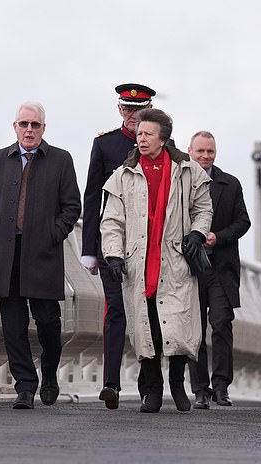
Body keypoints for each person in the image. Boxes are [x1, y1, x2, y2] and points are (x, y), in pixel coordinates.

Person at [100, 108, 213, 413]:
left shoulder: (187, 169)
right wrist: (112, 253)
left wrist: (197, 234)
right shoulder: (123, 174)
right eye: (139, 134)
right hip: (138, 262)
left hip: (175, 260)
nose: (141, 138)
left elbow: (203, 209)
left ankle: (177, 385)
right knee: (145, 325)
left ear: (163, 138)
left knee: (176, 326)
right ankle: (152, 388)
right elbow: (111, 221)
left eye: (148, 133)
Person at [0, 102, 81, 409]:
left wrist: (52, 234)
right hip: (8, 254)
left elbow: (72, 206)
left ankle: (48, 373)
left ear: (44, 129)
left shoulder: (60, 160)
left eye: (35, 125)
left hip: (44, 254)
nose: (29, 130)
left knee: (48, 321)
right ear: (15, 127)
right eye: (24, 124)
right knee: (13, 324)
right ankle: (24, 386)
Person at [81, 83, 156, 409]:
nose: (133, 116)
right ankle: (111, 383)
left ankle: (146, 386)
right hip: (112, 243)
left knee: (146, 313)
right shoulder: (105, 144)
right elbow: (92, 195)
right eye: (128, 110)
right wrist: (89, 248)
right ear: (119, 110)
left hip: (148, 244)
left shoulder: (162, 148)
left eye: (139, 111)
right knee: (115, 313)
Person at [185, 131, 251, 409]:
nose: (205, 156)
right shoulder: (180, 182)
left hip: (220, 267)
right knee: (194, 330)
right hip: (189, 268)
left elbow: (243, 222)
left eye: (210, 151)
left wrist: (219, 236)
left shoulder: (230, 183)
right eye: (200, 151)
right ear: (190, 152)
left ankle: (221, 386)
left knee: (222, 324)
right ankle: (200, 389)